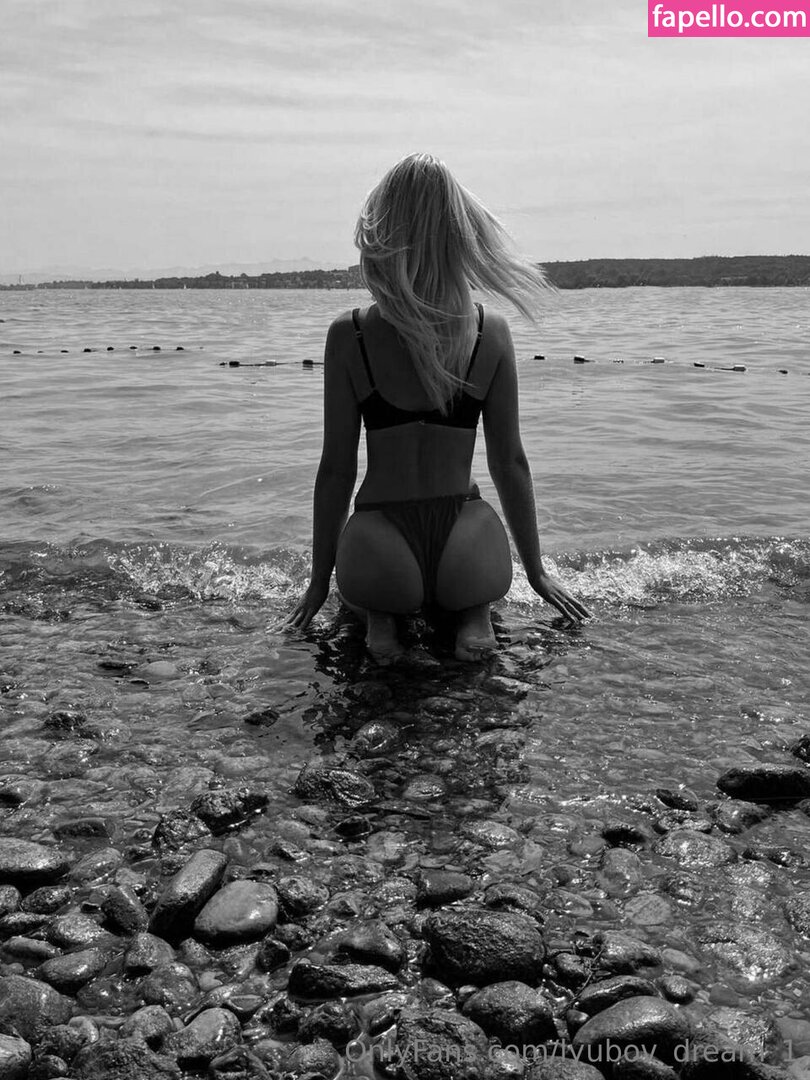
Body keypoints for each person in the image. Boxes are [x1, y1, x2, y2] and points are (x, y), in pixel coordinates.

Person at [286, 153, 590, 661]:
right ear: (458, 235)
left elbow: (336, 470)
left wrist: (318, 586)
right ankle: (473, 622)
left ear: (383, 233)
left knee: (372, 609)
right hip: (466, 547)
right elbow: (509, 463)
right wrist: (537, 573)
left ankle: (382, 627)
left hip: (380, 545)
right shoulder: (489, 332)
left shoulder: (350, 335)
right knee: (472, 609)